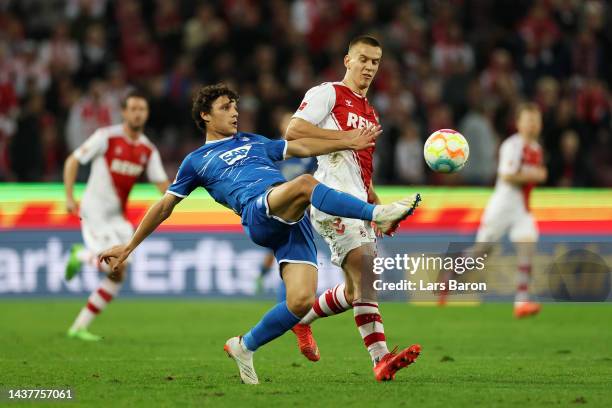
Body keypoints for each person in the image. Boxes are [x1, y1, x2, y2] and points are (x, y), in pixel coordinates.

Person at [100, 83, 421, 384]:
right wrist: (128, 248)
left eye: (235, 106)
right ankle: (377, 214)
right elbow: (164, 206)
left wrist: (346, 140)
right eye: (226, 107)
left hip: (292, 221)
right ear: (205, 115)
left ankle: (244, 345)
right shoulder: (196, 161)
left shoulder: (254, 141)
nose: (235, 112)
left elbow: (301, 146)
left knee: (300, 301)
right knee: (306, 186)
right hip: (259, 209)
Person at [285, 35, 421, 381]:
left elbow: (358, 163)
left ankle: (301, 321)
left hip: (357, 203)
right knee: (367, 278)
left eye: (375, 62)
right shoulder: (328, 93)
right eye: (363, 59)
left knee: (353, 290)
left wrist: (374, 201)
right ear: (347, 60)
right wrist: (346, 138)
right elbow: (294, 130)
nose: (369, 67)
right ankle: (381, 358)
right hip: (330, 199)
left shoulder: (368, 110)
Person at [63, 91, 169, 341]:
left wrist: (190, 185)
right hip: (94, 211)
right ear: (124, 112)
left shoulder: (147, 149)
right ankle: (82, 255)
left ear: (147, 114)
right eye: (132, 109)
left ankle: (78, 327)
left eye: (142, 109)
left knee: (119, 271)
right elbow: (72, 161)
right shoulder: (106, 137)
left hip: (117, 219)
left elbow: (164, 186)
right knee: (114, 267)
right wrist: (69, 196)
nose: (137, 113)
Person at [439, 103, 546, 318]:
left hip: (522, 209)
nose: (532, 125)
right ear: (519, 123)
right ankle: (450, 273)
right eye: (528, 120)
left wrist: (536, 174)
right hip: (502, 205)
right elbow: (507, 175)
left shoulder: (536, 149)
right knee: (482, 252)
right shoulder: (512, 146)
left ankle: (521, 302)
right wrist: (535, 175)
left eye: (536, 120)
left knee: (528, 246)